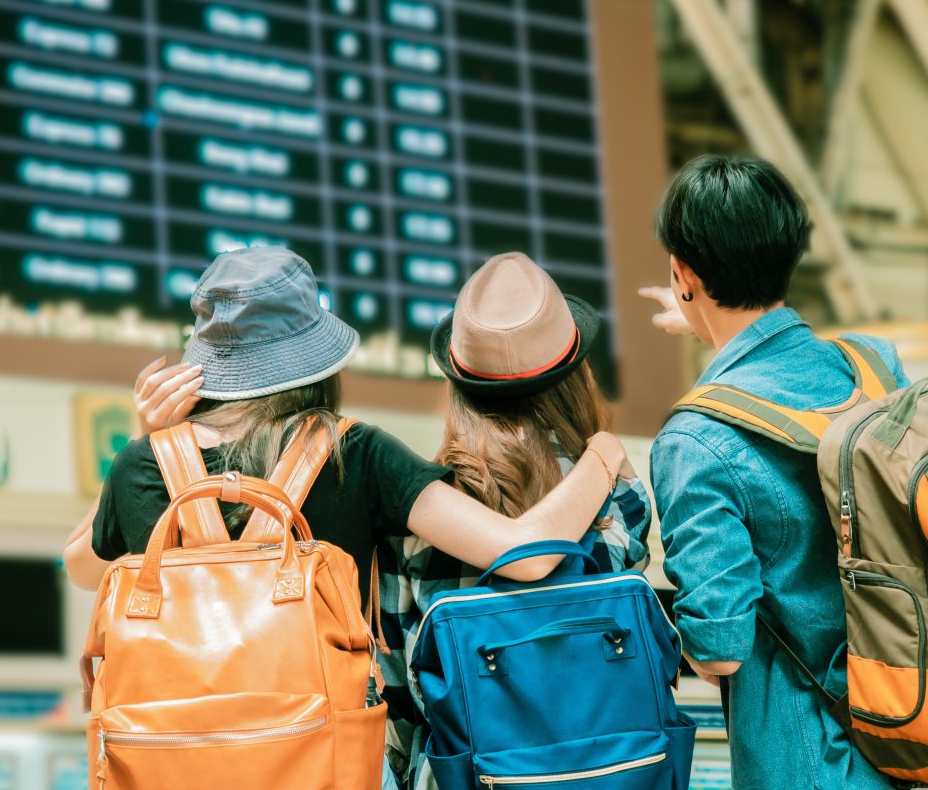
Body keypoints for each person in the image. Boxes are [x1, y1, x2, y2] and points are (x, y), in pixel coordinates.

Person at [640, 155, 928, 790]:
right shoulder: (872, 365)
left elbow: (721, 648)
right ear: (790, 251)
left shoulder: (695, 438)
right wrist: (710, 324)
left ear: (682, 273)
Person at [62, 245, 630, 608]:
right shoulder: (354, 454)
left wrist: (146, 439)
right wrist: (603, 453)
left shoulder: (144, 463)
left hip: (180, 774)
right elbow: (524, 555)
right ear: (314, 359)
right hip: (320, 774)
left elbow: (83, 567)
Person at [377, 253, 652, 790]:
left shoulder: (421, 516)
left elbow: (399, 694)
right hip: (609, 787)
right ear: (577, 376)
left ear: (458, 386)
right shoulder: (618, 497)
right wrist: (603, 450)